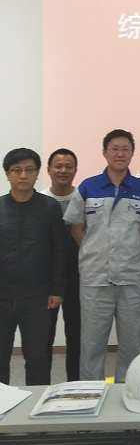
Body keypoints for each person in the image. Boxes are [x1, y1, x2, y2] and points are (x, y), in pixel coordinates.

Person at [64, 129, 140, 383]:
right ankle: (91, 394)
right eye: (114, 149)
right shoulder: (88, 187)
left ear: (132, 154)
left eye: (125, 149)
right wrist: (95, 250)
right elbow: (77, 227)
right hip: (95, 278)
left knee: (133, 344)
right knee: (92, 345)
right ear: (104, 152)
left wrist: (127, 252)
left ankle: (130, 394)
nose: (120, 154)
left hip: (132, 279)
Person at [0, 148, 66, 385]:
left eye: (29, 170)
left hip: (38, 297)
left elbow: (59, 251)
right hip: (2, 296)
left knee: (38, 358)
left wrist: (58, 289)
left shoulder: (49, 207)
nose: (23, 175)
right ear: (7, 174)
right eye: (16, 170)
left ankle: (37, 405)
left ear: (38, 173)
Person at [41, 148, 81, 381]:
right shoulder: (40, 201)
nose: (63, 170)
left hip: (79, 278)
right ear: (48, 170)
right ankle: (42, 387)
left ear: (75, 170)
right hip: (46, 282)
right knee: (43, 338)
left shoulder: (83, 199)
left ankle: (75, 386)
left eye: (69, 166)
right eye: (58, 166)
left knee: (77, 336)